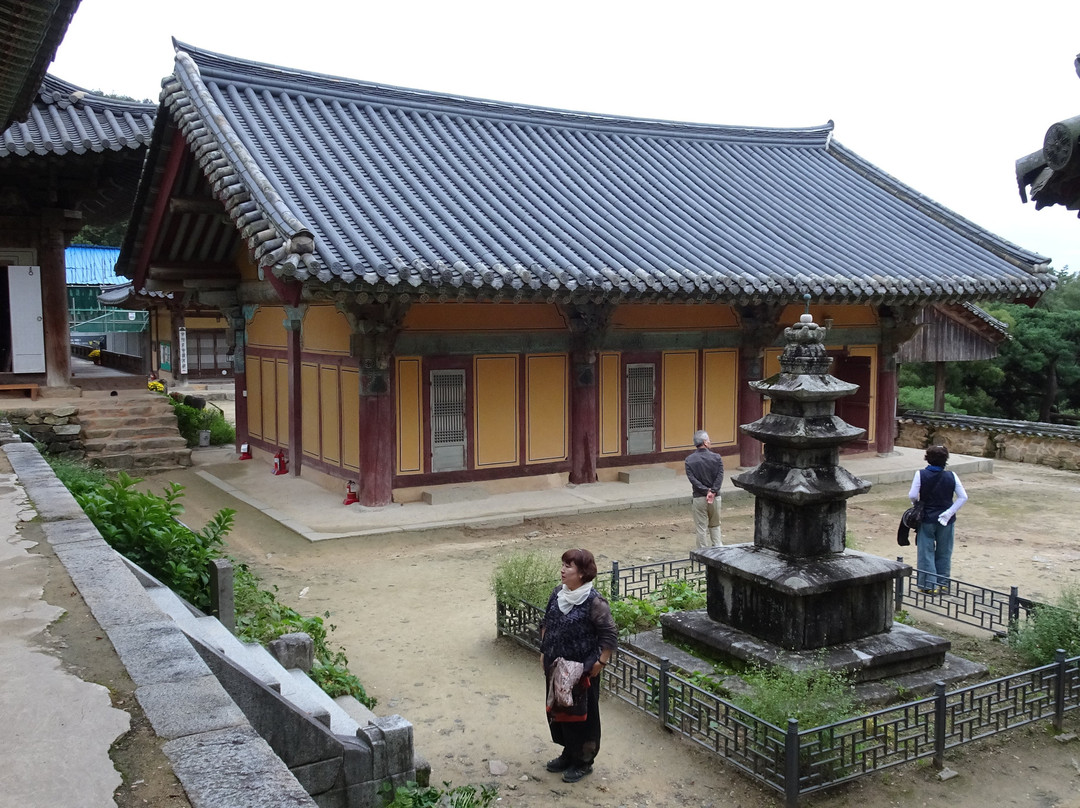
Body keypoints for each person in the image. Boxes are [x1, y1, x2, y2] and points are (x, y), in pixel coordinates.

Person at [539, 548, 618, 784]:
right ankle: (567, 753)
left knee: (583, 716)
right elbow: (546, 623)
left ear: (582, 573)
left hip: (581, 670)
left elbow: (609, 635)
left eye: (568, 566)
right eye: (563, 564)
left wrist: (601, 661)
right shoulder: (557, 594)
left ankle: (584, 761)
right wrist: (544, 651)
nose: (562, 570)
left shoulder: (595, 602)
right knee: (559, 712)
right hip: (555, 666)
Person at [908, 445, 968, 592]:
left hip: (927, 518)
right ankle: (942, 583)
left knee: (926, 552)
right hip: (946, 520)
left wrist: (917, 504)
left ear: (927, 458)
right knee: (944, 551)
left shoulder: (920, 474)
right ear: (945, 459)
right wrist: (949, 513)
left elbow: (912, 495)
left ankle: (928, 585)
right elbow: (963, 497)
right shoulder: (952, 476)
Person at [684, 430, 724, 547]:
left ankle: (703, 553)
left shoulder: (689, 460)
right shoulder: (717, 458)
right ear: (705, 442)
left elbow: (693, 480)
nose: (710, 442)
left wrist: (705, 491)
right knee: (715, 525)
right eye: (709, 440)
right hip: (715, 497)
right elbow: (720, 476)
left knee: (701, 527)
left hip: (699, 497)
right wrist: (713, 491)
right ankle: (718, 549)